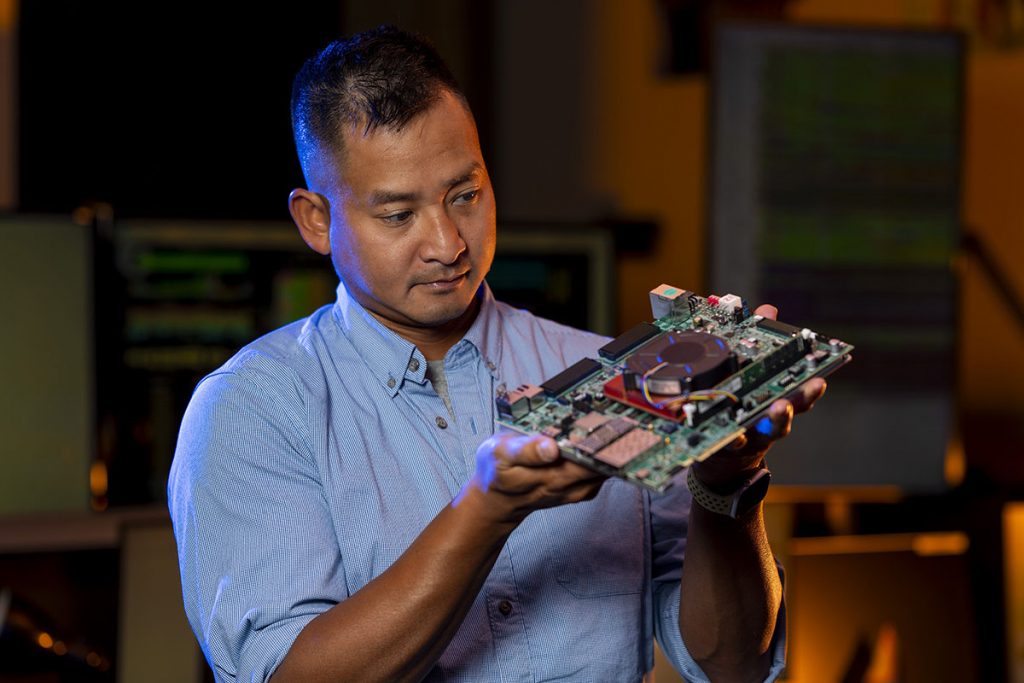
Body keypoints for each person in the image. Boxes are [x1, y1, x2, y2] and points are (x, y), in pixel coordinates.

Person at [168, 25, 825, 683]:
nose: (448, 243)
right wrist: (485, 514)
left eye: (466, 194)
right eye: (398, 215)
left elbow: (732, 663)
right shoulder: (250, 410)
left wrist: (725, 486)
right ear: (316, 219)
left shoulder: (614, 377)